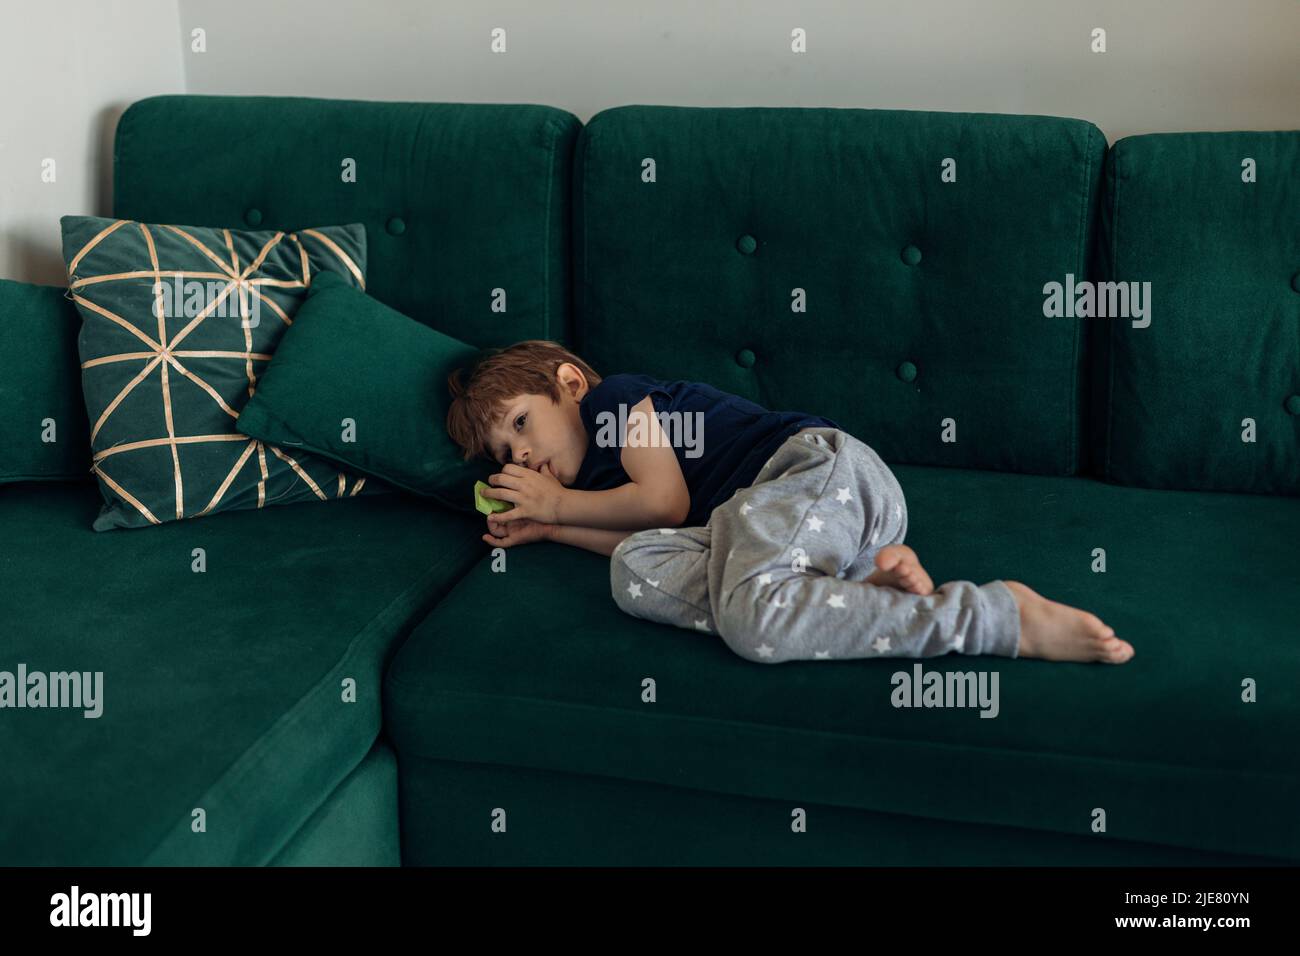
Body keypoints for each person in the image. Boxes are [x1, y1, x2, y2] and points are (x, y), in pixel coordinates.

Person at [446, 340, 1135, 665]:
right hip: (778, 528)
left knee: (753, 624)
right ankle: (859, 587)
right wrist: (552, 527)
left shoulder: (616, 402)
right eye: (503, 457)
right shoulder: (595, 493)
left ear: (568, 382)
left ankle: (992, 617)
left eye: (521, 424)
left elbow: (661, 500)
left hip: (812, 472)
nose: (521, 457)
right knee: (632, 570)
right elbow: (646, 530)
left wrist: (561, 509)